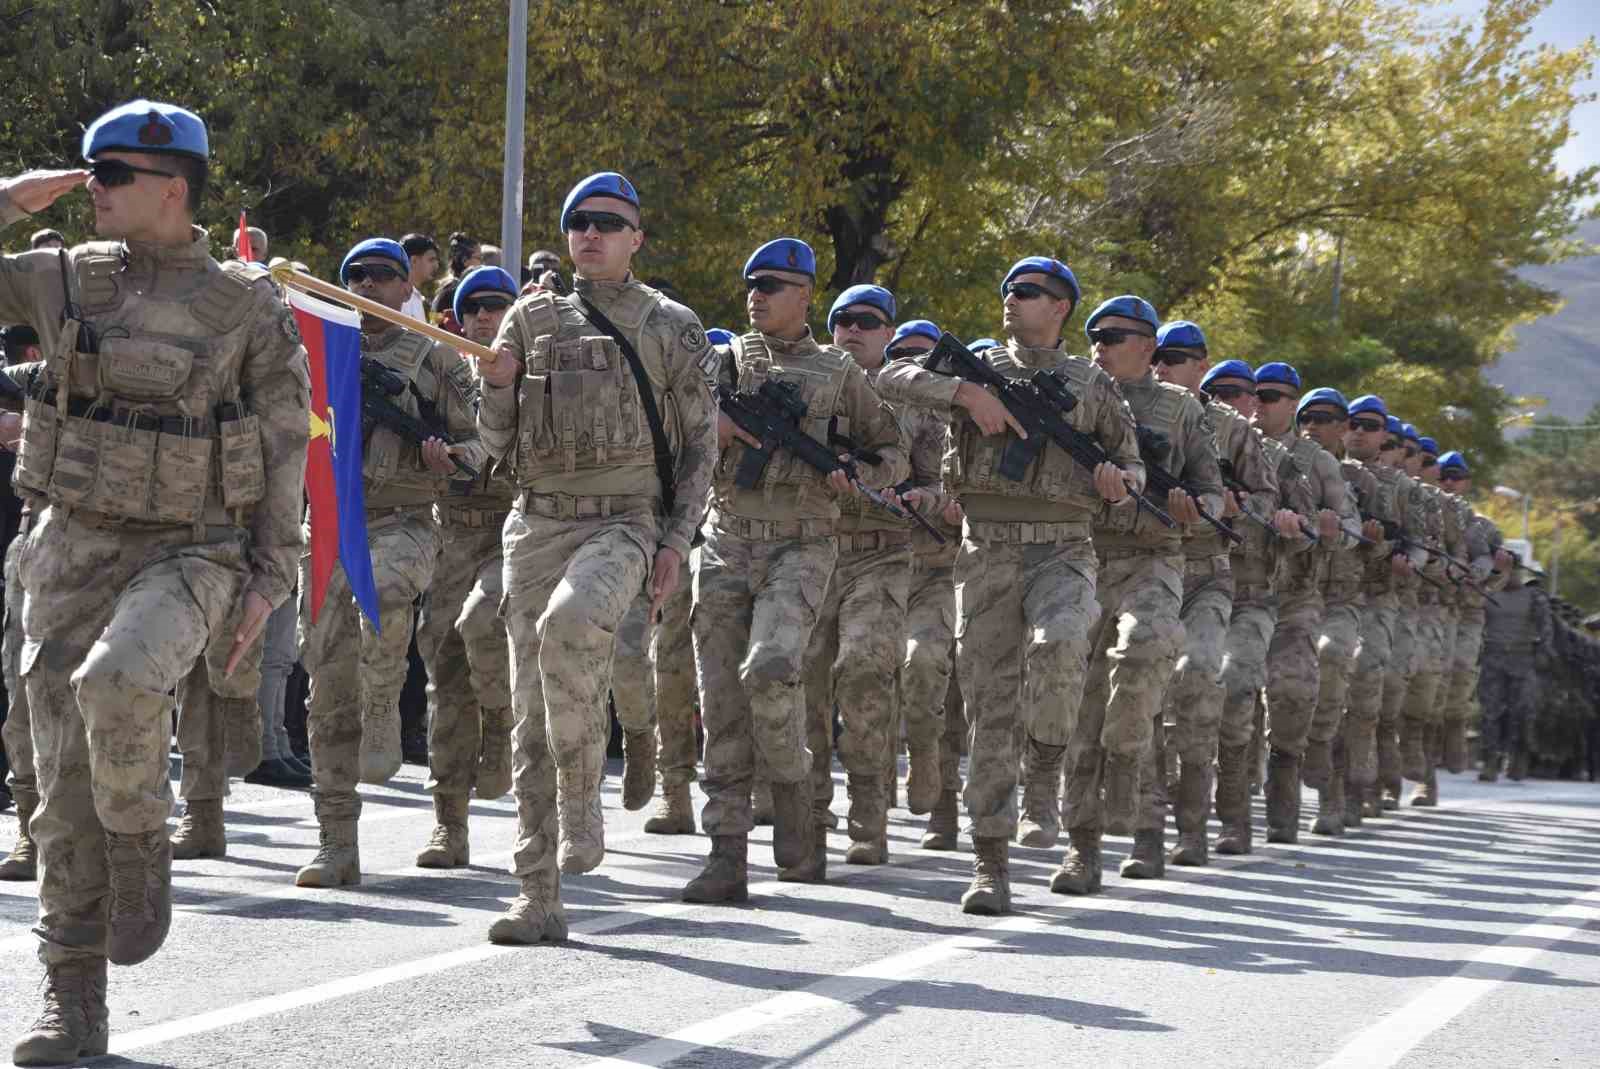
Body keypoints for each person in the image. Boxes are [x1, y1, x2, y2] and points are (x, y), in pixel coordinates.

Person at [0, 99, 310, 1065]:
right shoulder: (65, 279)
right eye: (87, 175)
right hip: (70, 548)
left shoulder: (247, 305)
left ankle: (144, 841)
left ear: (173, 189)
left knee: (121, 680)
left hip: (193, 548)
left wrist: (273, 573)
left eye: (113, 176)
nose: (92, 189)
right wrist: (9, 199)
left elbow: (286, 439)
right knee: (58, 786)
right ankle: (72, 1001)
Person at [476, 172, 718, 940]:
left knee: (573, 624)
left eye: (609, 222)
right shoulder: (529, 319)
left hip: (623, 522)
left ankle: (586, 792)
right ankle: (538, 895)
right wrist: (497, 388)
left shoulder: (670, 325)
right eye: (579, 221)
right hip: (537, 522)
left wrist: (678, 539)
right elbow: (492, 445)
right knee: (529, 715)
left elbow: (702, 448)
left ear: (636, 238)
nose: (591, 233)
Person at [875, 257, 1144, 914]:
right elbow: (891, 374)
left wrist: (1120, 483)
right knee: (991, 705)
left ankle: (1045, 773)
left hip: (1063, 548)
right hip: (987, 549)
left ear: (1059, 308)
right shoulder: (976, 365)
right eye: (1007, 289)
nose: (1010, 299)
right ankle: (988, 860)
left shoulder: (1092, 385)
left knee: (1061, 645)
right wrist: (967, 395)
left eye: (1026, 293)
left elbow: (1133, 468)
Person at [682, 237, 904, 903]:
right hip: (725, 538)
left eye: (774, 284)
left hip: (802, 542)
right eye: (752, 283)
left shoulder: (839, 373)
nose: (758, 294)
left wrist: (856, 475)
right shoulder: (723, 360)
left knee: (772, 665)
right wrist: (709, 426)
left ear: (806, 295)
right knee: (720, 698)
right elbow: (674, 428)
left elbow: (890, 450)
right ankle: (727, 853)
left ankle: (795, 793)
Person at [294, 237, 479, 889]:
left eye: (384, 276)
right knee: (325, 685)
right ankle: (335, 841)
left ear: (408, 289)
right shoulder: (315, 352)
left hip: (404, 520)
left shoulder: (436, 359)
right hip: (330, 526)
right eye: (356, 276)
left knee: (387, 595)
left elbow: (480, 443)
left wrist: (445, 456)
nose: (368, 285)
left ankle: (384, 700)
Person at [1058, 299, 1222, 887]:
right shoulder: (1077, 393)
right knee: (1082, 707)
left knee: (1144, 661)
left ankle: (1143, 816)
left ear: (1147, 347)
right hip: (1081, 557)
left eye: (1113, 336)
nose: (1098, 343)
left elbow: (1213, 493)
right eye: (1093, 335)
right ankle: (1082, 847)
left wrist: (1193, 511)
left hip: (1154, 559)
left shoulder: (1180, 409)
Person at [785, 283, 931, 873]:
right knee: (809, 683)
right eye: (842, 319)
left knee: (865, 669)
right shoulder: (813, 381)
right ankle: (812, 813)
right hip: (813, 549)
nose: (852, 329)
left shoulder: (916, 400)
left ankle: (869, 815)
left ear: (889, 333)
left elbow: (941, 480)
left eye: (867, 322)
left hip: (883, 554)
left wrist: (923, 495)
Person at [1153, 329, 1291, 865]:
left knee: (1213, 685)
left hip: (1218, 581)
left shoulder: (1233, 432)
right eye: (1158, 357)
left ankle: (1220, 818)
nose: (1163, 367)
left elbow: (1267, 500)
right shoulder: (1126, 408)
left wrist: (1230, 505)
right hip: (1143, 569)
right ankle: (1144, 821)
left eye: (1176, 359)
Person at [411, 265, 521, 867]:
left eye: (496, 304)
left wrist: (466, 454)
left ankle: (501, 720)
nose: (485, 315)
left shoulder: (536, 367)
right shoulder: (436, 366)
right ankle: (449, 823)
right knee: (445, 676)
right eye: (473, 306)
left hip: (516, 530)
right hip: (452, 534)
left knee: (485, 620)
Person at [1203, 361, 1309, 854]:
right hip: (1192, 588)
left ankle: (1237, 816)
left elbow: (1314, 537)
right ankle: (1168, 814)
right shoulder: (1188, 436)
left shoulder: (1282, 463)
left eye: (1247, 394)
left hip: (1253, 595)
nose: (1239, 401)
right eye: (1220, 391)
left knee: (1240, 687)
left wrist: (1294, 529)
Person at [1253, 367, 1357, 844]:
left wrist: (1328, 529)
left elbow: (1349, 526)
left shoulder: (1318, 462)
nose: (1259, 402)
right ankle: (1227, 807)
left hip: (1299, 594)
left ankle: (1291, 780)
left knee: (1296, 691)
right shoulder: (1235, 440)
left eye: (1271, 395)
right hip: (1240, 590)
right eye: (1254, 394)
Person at [880, 320, 965, 849]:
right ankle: (873, 808)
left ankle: (945, 805)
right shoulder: (878, 414)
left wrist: (941, 502)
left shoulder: (962, 417)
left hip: (943, 570)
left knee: (932, 671)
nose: (914, 368)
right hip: (881, 565)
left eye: (923, 357)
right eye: (902, 358)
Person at [1338, 396, 1412, 824]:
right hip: (1327, 594)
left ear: (1384, 434)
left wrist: (1396, 555)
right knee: (1323, 695)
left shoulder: (1402, 489)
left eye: (1369, 425)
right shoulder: (1325, 470)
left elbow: (1422, 544)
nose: (1359, 431)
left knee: (1365, 691)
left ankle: (1358, 786)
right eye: (1353, 423)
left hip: (1378, 599)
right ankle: (1330, 785)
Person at [1435, 450, 1512, 774]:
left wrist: (1496, 572)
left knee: (1460, 675)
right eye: (1444, 476)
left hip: (1466, 613)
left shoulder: (1483, 528)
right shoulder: (1425, 513)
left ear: (1466, 483)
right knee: (1422, 686)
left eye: (1456, 476)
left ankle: (1454, 728)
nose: (1449, 482)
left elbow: (1496, 583)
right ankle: (1424, 764)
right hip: (1428, 609)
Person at [1479, 558, 1552, 779]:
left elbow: (1546, 628)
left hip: (1522, 660)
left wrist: (1542, 655)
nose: (1509, 575)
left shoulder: (1534, 597)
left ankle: (1517, 758)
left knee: (1519, 712)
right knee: (1490, 713)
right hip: (1493, 660)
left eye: (1513, 571)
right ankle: (1491, 760)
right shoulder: (1488, 594)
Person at [401, 233, 440, 321]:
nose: (436, 265)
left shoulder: (416, 296)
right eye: (431, 260)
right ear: (414, 261)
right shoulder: (395, 295)